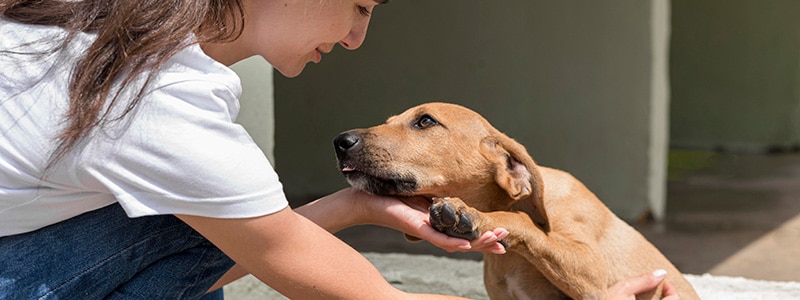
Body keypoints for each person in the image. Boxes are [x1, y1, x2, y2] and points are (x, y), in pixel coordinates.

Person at [0, 0, 680, 299]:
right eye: (360, 6)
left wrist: (361, 208)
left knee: (188, 230)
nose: (357, 38)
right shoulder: (161, 103)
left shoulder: (119, 35)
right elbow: (352, 291)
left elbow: (237, 240)